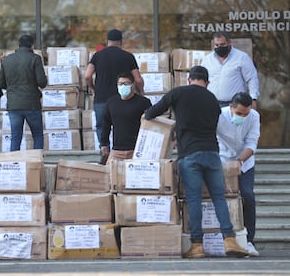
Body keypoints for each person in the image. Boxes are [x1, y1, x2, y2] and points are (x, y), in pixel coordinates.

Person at [144, 65, 248, 258]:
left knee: (194, 200)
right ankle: (229, 240)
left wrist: (146, 118)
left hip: (189, 155)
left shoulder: (178, 93)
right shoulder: (212, 100)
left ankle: (197, 245)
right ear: (206, 82)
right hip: (212, 154)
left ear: (189, 79)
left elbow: (153, 112)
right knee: (219, 198)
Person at [84, 29, 145, 150]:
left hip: (101, 98)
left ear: (107, 41)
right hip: (122, 99)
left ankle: (104, 153)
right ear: (121, 42)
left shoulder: (97, 56)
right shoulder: (128, 56)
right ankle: (123, 154)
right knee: (123, 126)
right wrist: (141, 92)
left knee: (102, 127)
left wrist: (93, 88)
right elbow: (137, 79)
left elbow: (87, 76)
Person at [216, 92, 261, 256]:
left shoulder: (254, 117)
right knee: (221, 197)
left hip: (245, 161)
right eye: (239, 113)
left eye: (246, 113)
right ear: (231, 107)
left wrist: (240, 160)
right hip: (222, 159)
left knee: (247, 195)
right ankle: (224, 239)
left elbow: (252, 141)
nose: (243, 116)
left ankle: (249, 241)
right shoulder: (220, 115)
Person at [0, 35, 47, 151]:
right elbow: (42, 82)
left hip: (13, 104)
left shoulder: (7, 60)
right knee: (37, 135)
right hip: (32, 103)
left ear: (18, 45)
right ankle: (37, 161)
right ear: (32, 46)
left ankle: (15, 163)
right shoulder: (35, 58)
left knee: (15, 136)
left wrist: (12, 88)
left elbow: (0, 83)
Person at [100, 71, 151, 163]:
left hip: (137, 149)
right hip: (117, 150)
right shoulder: (111, 103)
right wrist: (103, 143)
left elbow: (150, 124)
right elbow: (106, 124)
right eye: (120, 84)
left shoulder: (143, 102)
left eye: (126, 84)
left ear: (133, 85)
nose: (123, 86)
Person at [201, 31, 259, 109]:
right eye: (217, 45)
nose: (219, 47)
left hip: (235, 104)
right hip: (212, 104)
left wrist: (253, 98)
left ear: (229, 42)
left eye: (222, 44)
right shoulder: (207, 60)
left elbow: (252, 78)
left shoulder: (241, 57)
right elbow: (202, 80)